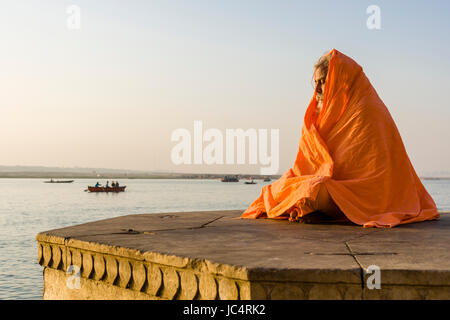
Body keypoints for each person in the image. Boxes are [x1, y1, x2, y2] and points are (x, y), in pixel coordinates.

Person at [241, 49, 439, 228]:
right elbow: (306, 166)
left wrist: (327, 186)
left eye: (323, 81)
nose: (317, 89)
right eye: (315, 82)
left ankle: (320, 209)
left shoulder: (368, 110)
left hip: (366, 196)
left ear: (340, 80)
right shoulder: (320, 115)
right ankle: (317, 209)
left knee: (313, 191)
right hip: (332, 189)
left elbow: (376, 176)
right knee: (280, 188)